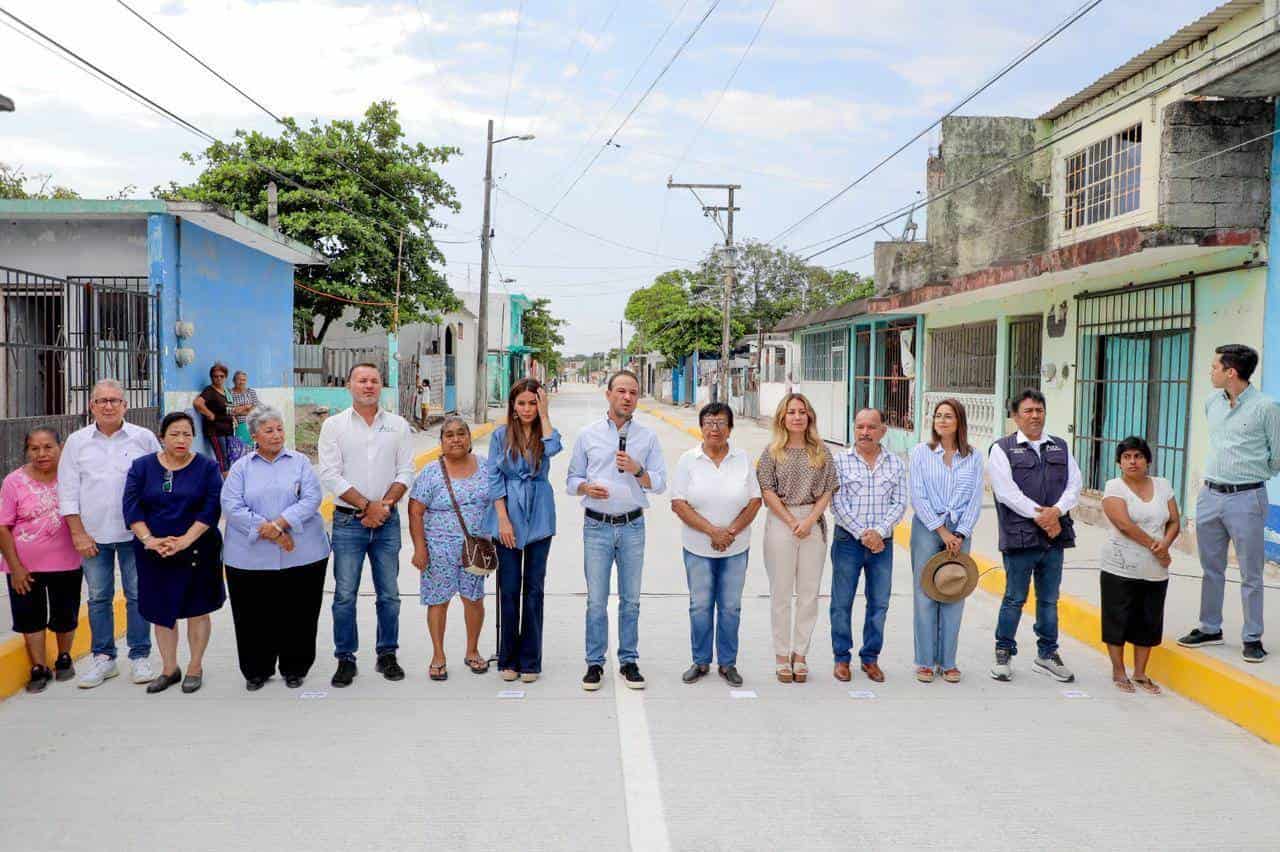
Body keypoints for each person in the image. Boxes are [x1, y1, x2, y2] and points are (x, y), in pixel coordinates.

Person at [565, 369, 667, 691]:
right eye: (621, 391)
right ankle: (594, 663)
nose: (627, 397)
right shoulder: (588, 434)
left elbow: (660, 483)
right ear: (608, 394)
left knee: (631, 599)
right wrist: (585, 488)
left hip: (632, 525)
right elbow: (570, 480)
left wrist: (639, 471)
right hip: (597, 526)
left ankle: (628, 660)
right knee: (596, 599)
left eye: (633, 392)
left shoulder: (647, 437)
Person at [1179, 344, 1280, 663]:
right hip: (1210, 495)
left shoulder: (1266, 407)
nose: (1210, 372)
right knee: (1211, 567)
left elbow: (1277, 455)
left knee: (1251, 571)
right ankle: (1210, 627)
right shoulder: (1212, 402)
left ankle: (1252, 637)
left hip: (1247, 497)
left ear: (1231, 372)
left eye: (1214, 367)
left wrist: (1252, 474)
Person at [59, 378, 161, 688]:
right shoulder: (77, 442)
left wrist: (153, 530)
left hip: (135, 534)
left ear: (125, 406)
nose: (107, 405)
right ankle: (103, 658)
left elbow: (158, 480)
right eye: (101, 400)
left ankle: (140, 656)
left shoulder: (143, 439)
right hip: (92, 537)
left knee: (137, 594)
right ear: (90, 406)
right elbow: (67, 491)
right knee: (99, 597)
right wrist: (77, 533)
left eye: (114, 400)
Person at [318, 363, 414, 687]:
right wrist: (366, 506)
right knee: (345, 595)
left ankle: (387, 654)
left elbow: (406, 472)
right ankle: (345, 658)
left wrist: (383, 507)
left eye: (374, 381)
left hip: (386, 523)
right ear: (349, 385)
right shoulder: (334, 426)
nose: (368, 386)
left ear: (381, 386)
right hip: (348, 522)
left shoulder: (398, 426)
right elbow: (330, 474)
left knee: (389, 594)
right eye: (362, 380)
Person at [221, 406, 331, 691]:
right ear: (255, 435)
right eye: (269, 430)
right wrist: (267, 530)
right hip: (249, 558)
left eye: (280, 429)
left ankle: (295, 668)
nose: (276, 435)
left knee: (300, 614)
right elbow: (231, 506)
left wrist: (280, 524)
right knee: (253, 615)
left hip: (302, 553)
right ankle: (256, 670)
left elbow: (311, 498)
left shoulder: (300, 462)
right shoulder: (241, 468)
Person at [124, 412, 226, 694]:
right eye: (174, 434)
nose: (181, 440)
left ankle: (195, 666)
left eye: (187, 434)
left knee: (198, 609)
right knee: (160, 611)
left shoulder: (206, 467)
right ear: (161, 437)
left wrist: (184, 541)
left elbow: (210, 508)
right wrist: (150, 540)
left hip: (198, 549)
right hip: (154, 551)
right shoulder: (141, 467)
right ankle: (169, 668)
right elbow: (132, 507)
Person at [987, 388, 1082, 683]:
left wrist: (1057, 511)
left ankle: (1047, 654)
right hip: (1020, 537)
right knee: (1015, 597)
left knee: (1049, 599)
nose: (1034, 416)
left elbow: (1074, 485)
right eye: (1027, 411)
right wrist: (1042, 515)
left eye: (1039, 410)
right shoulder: (1002, 449)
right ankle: (1004, 652)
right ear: (1015, 416)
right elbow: (1006, 493)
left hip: (1054, 537)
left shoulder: (1061, 447)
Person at [671, 402, 762, 687]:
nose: (715, 428)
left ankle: (727, 663)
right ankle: (700, 661)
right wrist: (712, 531)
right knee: (699, 605)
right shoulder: (688, 460)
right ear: (701, 427)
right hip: (697, 548)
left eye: (721, 423)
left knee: (731, 606)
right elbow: (678, 503)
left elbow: (754, 500)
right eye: (709, 422)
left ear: (730, 428)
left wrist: (730, 532)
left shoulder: (743, 458)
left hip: (735, 548)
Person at [756, 393, 838, 684]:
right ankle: (781, 656)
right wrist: (792, 521)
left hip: (812, 522)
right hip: (782, 520)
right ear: (783, 417)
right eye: (791, 412)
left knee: (808, 594)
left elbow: (829, 489)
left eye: (802, 412)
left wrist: (810, 521)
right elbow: (767, 490)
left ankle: (800, 655)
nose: (797, 417)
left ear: (810, 417)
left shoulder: (822, 452)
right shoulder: (772, 452)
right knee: (781, 593)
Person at [486, 379, 562, 683]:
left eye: (533, 403)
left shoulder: (545, 434)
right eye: (522, 403)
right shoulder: (500, 436)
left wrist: (545, 415)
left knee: (534, 589)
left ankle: (531, 660)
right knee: (508, 589)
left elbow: (555, 448)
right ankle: (508, 658)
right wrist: (503, 520)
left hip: (540, 514)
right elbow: (494, 479)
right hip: (509, 515)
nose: (527, 409)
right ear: (513, 407)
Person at [409, 417, 491, 680]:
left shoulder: (486, 467)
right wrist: (419, 549)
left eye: (461, 434)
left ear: (469, 438)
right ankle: (438, 655)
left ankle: (473, 651)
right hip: (438, 551)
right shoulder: (431, 473)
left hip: (475, 551)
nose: (455, 439)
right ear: (441, 441)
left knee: (474, 599)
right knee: (438, 602)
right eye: (449, 435)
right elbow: (415, 512)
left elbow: (498, 501)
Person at [0, 428, 82, 693]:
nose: (42, 453)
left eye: (48, 447)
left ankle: (63, 657)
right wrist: (16, 568)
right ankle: (38, 666)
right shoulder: (14, 481)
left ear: (60, 448)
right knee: (29, 618)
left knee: (65, 615)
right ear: (27, 451)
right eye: (34, 448)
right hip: (24, 567)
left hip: (67, 560)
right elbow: (2, 526)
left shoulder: (72, 478)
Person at [908, 399, 984, 683]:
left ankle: (948, 662)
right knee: (926, 591)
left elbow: (976, 499)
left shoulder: (973, 457)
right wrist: (942, 531)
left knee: (954, 589)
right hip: (929, 527)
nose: (942, 420)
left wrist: (960, 533)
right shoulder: (921, 453)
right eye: (938, 415)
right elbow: (918, 495)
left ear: (959, 421)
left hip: (961, 529)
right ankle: (925, 661)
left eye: (948, 416)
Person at [830, 408, 907, 683]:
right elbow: (836, 503)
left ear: (883, 430)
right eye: (860, 426)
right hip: (848, 541)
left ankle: (870, 658)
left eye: (871, 427)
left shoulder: (895, 463)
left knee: (879, 603)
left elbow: (900, 503)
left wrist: (880, 532)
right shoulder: (839, 461)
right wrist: (864, 533)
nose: (865, 432)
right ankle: (841, 658)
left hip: (882, 545)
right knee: (841, 603)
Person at [1101, 437, 1179, 693]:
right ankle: (1118, 671)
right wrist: (1156, 547)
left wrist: (1164, 545)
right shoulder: (1114, 487)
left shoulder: (1163, 485)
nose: (1132, 462)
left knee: (1149, 619)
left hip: (1156, 567)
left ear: (1147, 460)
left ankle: (1141, 673)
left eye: (1138, 456)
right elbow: (1124, 524)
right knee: (1117, 618)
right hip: (1120, 565)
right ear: (1119, 462)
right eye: (1126, 457)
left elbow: (1174, 521)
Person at [193, 362, 239, 475]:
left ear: (226, 377)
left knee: (229, 457)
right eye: (215, 376)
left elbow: (229, 407)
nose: (218, 378)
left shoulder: (226, 391)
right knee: (222, 459)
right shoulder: (209, 391)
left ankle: (230, 484)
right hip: (216, 430)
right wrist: (209, 414)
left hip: (228, 429)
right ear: (211, 377)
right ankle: (226, 487)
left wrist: (233, 418)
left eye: (221, 376)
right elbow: (198, 403)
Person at [228, 370, 261, 449]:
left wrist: (237, 410)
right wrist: (246, 407)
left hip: (252, 424)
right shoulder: (229, 393)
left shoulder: (251, 392)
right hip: (238, 426)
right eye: (239, 379)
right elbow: (230, 410)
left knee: (252, 448)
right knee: (240, 448)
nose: (241, 382)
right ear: (234, 381)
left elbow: (255, 409)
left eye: (244, 380)